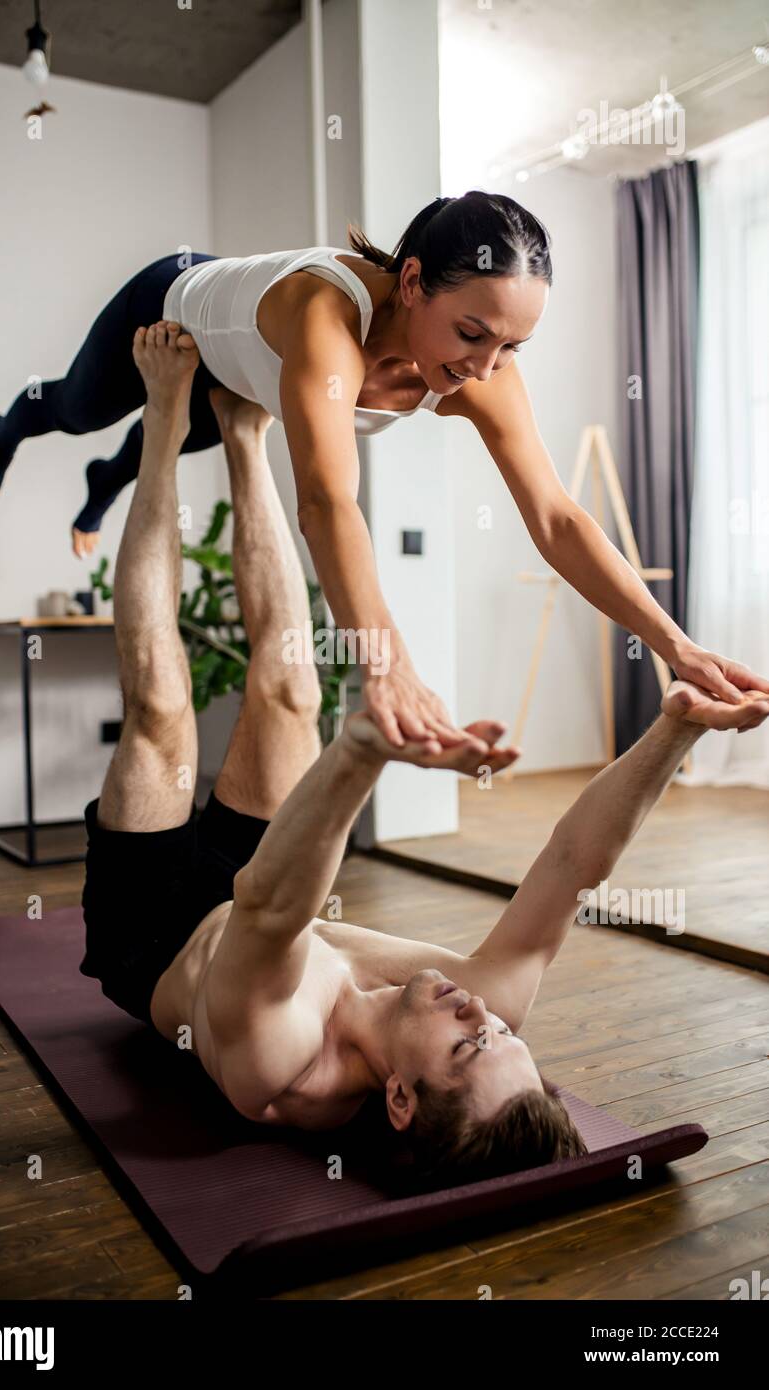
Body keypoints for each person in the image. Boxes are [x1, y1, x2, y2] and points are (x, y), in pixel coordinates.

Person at [79, 320, 769, 1188]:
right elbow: (568, 867)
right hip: (266, 887)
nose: (483, 1012)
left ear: (399, 1101)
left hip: (154, 932)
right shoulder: (468, 1002)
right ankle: (248, 433)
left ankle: (170, 417)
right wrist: (678, 727)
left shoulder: (280, 1061)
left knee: (161, 714)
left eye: (471, 1044)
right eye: (505, 1034)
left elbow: (262, 910)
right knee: (292, 687)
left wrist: (367, 745)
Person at [0, 191, 769, 751]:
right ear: (412, 282)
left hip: (244, 373)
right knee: (76, 409)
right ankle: (7, 431)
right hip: (177, 300)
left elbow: (557, 519)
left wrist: (676, 645)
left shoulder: (478, 373)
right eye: (471, 332)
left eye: (511, 346)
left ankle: (106, 484)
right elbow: (326, 502)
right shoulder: (326, 322)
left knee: (163, 448)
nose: (486, 368)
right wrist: (388, 668)